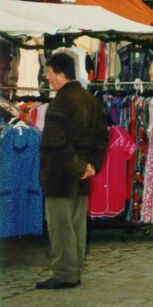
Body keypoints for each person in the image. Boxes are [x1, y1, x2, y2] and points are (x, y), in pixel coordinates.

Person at [36, 52, 109, 290]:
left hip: (60, 175)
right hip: (82, 175)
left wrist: (79, 168)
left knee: (60, 227)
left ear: (60, 73)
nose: (47, 78)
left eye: (49, 73)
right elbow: (102, 137)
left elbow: (56, 141)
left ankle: (64, 274)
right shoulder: (89, 99)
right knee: (77, 225)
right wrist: (91, 166)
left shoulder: (61, 102)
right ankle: (73, 271)